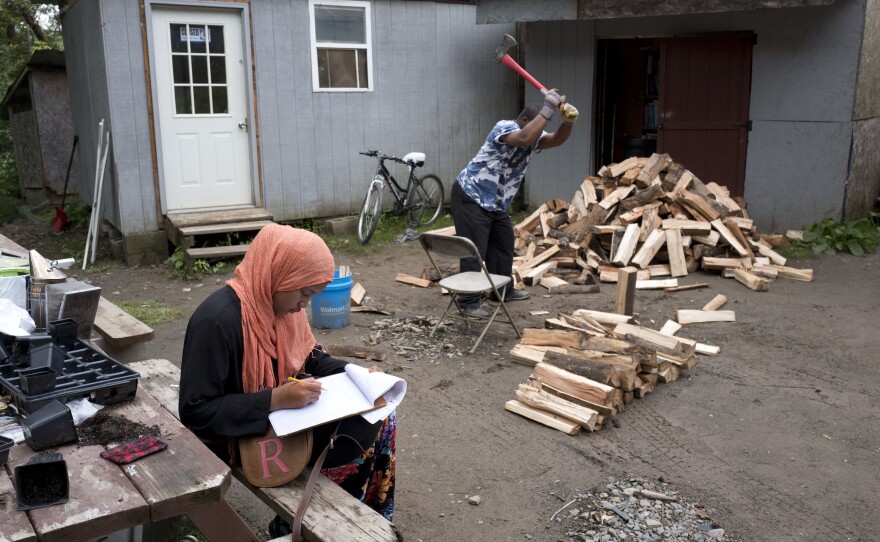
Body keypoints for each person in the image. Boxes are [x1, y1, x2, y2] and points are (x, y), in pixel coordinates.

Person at [178, 224, 396, 536]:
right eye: (304, 293)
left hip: (276, 418)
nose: (304, 305)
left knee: (379, 408)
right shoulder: (216, 322)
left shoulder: (279, 307)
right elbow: (196, 412)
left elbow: (309, 359)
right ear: (279, 274)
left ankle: (372, 517)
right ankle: (313, 526)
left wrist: (358, 376)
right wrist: (275, 400)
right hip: (236, 437)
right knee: (356, 432)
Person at [451, 90, 579, 318]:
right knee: (474, 250)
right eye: (538, 124)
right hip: (471, 194)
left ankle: (503, 291)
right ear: (525, 121)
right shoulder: (504, 127)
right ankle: (468, 302)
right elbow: (524, 138)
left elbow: (555, 140)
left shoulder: (534, 135)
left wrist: (567, 123)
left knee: (503, 244)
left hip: (496, 203)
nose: (539, 132)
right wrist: (548, 109)